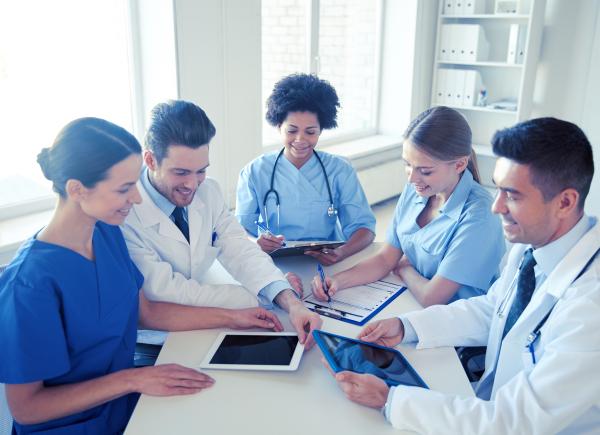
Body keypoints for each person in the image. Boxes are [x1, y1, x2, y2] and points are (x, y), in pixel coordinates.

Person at [0, 118, 285, 434]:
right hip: (70, 425)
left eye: (135, 183)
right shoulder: (28, 284)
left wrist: (233, 318)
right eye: (124, 189)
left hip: (123, 403)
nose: (136, 198)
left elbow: (146, 312)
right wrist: (133, 378)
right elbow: (27, 408)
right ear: (77, 190)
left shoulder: (106, 234)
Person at [324, 117, 600, 434]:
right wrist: (407, 326)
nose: (496, 207)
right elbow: (492, 309)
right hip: (487, 405)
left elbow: (514, 422)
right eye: (498, 189)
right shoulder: (532, 247)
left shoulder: (589, 308)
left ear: (565, 202)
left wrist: (392, 401)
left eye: (512, 195)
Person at [122, 100, 321, 346]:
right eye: (181, 172)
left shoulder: (209, 191)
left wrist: (288, 300)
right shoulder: (125, 214)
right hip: (156, 339)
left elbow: (239, 249)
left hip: (207, 322)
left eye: (201, 171)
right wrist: (262, 296)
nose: (193, 185)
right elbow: (166, 291)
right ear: (151, 161)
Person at [312, 106, 505, 306]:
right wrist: (336, 281)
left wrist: (404, 268)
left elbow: (432, 298)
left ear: (459, 165)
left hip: (456, 319)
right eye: (408, 164)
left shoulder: (480, 216)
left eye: (425, 171)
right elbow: (386, 259)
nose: (412, 178)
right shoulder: (418, 189)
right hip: (411, 300)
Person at [235, 73, 376, 265]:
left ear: (321, 130)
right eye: (292, 130)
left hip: (327, 260)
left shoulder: (340, 170)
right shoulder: (255, 171)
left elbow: (364, 229)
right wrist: (255, 243)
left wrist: (342, 252)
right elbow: (239, 230)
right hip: (272, 263)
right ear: (278, 126)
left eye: (310, 132)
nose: (300, 140)